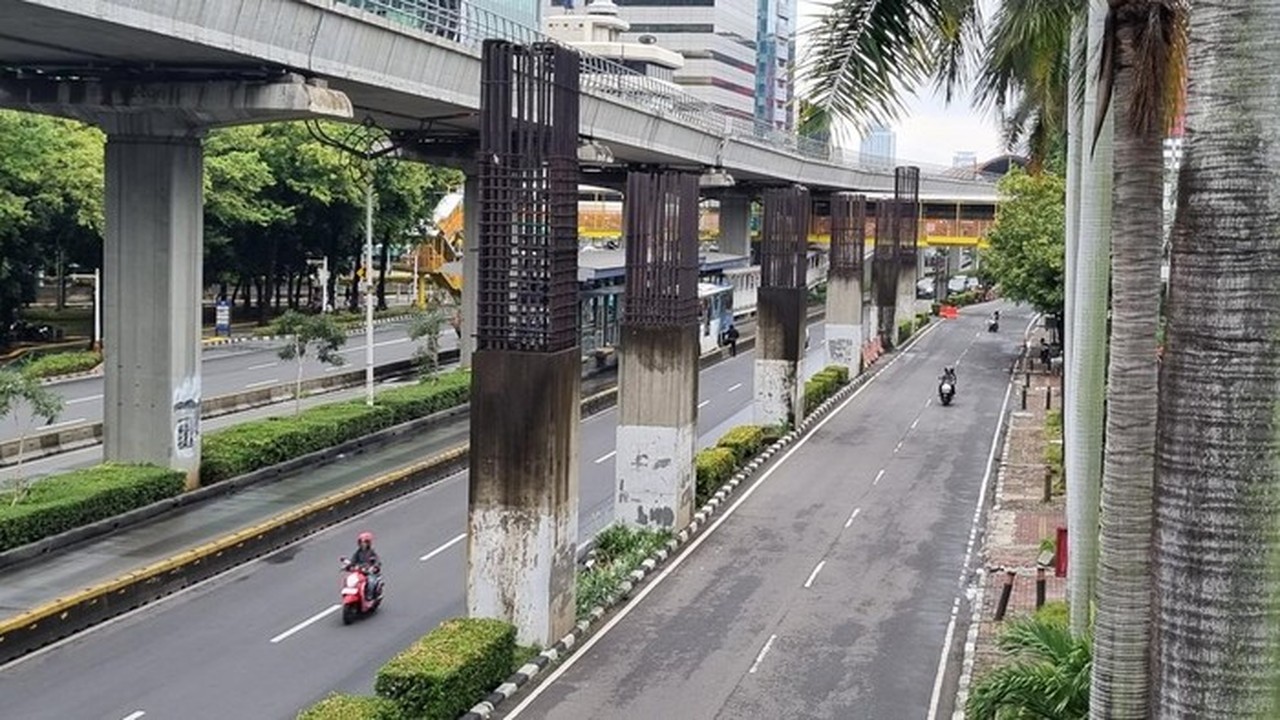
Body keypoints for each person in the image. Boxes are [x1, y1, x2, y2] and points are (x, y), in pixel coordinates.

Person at [351, 531, 382, 601]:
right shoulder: (357, 553)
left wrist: (374, 567)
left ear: (368, 543)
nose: (363, 544)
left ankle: (369, 595)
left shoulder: (372, 552)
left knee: (371, 581)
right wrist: (349, 566)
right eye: (361, 542)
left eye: (365, 542)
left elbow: (377, 561)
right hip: (360, 572)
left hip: (369, 572)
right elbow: (353, 561)